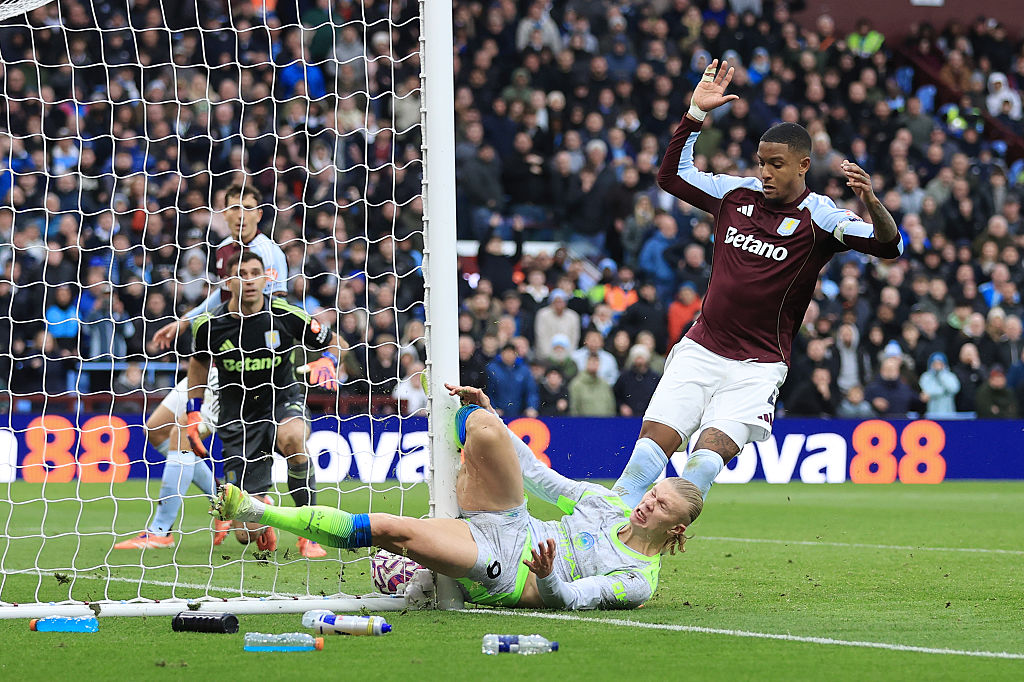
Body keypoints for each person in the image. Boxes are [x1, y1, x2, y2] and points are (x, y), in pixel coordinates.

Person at [617, 59, 903, 504]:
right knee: (642, 462)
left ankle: (648, 546)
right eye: (761, 163)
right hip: (700, 348)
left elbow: (890, 247)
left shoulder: (821, 217)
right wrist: (694, 114)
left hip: (758, 365)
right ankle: (598, 539)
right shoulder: (736, 195)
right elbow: (671, 176)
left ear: (803, 164)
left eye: (776, 164)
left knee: (705, 463)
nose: (765, 172)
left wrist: (871, 201)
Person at [211, 384, 705, 610]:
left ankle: (254, 508)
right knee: (487, 427)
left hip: (508, 571)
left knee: (390, 529)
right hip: (512, 521)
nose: (647, 503)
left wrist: (550, 574)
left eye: (661, 506)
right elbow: (538, 477)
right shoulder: (611, 503)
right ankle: (449, 412)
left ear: (676, 528)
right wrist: (489, 415)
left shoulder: (637, 581)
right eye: (654, 493)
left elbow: (569, 600)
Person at [115, 183, 290, 551]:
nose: (239, 214)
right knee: (156, 429)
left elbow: (277, 313)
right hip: (212, 355)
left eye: (247, 207)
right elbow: (222, 295)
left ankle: (160, 532)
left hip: (237, 366)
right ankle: (227, 502)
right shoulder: (227, 252)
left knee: (181, 435)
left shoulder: (267, 255)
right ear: (223, 214)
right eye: (232, 208)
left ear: (259, 214)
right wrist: (186, 321)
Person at [186, 250, 348, 555]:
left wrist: (328, 359)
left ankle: (308, 529)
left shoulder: (287, 315)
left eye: (254, 273)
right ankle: (264, 514)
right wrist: (193, 413)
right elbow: (197, 366)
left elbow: (339, 343)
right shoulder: (209, 325)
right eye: (241, 274)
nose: (248, 280)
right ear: (228, 281)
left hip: (282, 401)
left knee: (293, 439)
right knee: (247, 534)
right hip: (238, 421)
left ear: (266, 277)